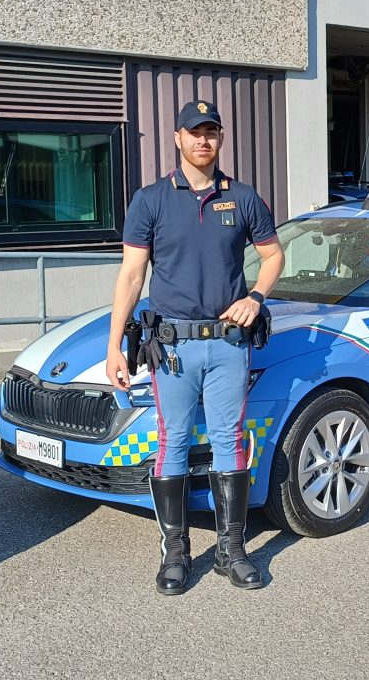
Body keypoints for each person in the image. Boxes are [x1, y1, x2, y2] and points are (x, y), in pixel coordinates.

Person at [106, 100, 284, 594]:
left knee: (230, 439)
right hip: (174, 348)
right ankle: (176, 553)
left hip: (228, 343)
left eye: (212, 131)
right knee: (174, 442)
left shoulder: (243, 198)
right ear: (178, 139)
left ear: (220, 139)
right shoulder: (151, 200)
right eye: (195, 132)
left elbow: (273, 256)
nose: (203, 140)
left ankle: (231, 551)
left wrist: (255, 297)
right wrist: (115, 345)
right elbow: (131, 274)